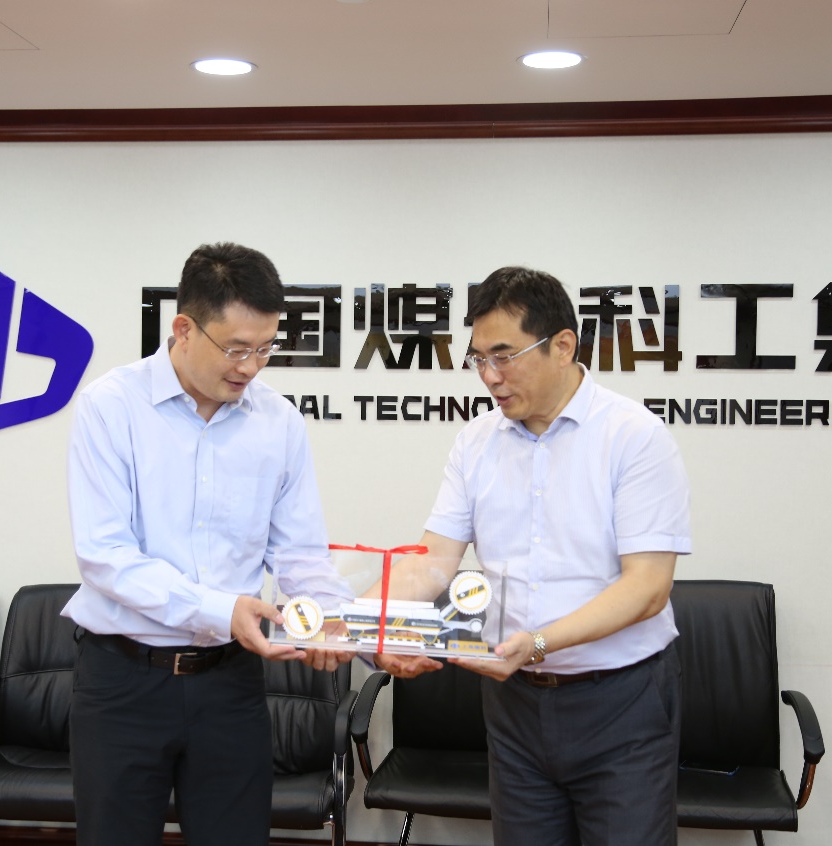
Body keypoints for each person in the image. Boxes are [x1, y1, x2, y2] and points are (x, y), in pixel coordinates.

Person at [374, 266, 692, 845]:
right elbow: (430, 562)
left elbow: (647, 588)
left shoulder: (634, 436)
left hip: (621, 701)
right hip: (514, 705)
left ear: (562, 346)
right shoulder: (476, 442)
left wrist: (540, 643)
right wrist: (359, 623)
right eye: (478, 359)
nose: (490, 377)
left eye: (505, 356)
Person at [61, 242, 352, 846]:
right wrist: (223, 609)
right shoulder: (110, 407)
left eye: (266, 348)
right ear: (184, 329)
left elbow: (300, 553)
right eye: (237, 348)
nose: (251, 367)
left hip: (229, 684)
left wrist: (331, 617)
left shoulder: (278, 421)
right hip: (123, 682)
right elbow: (106, 555)